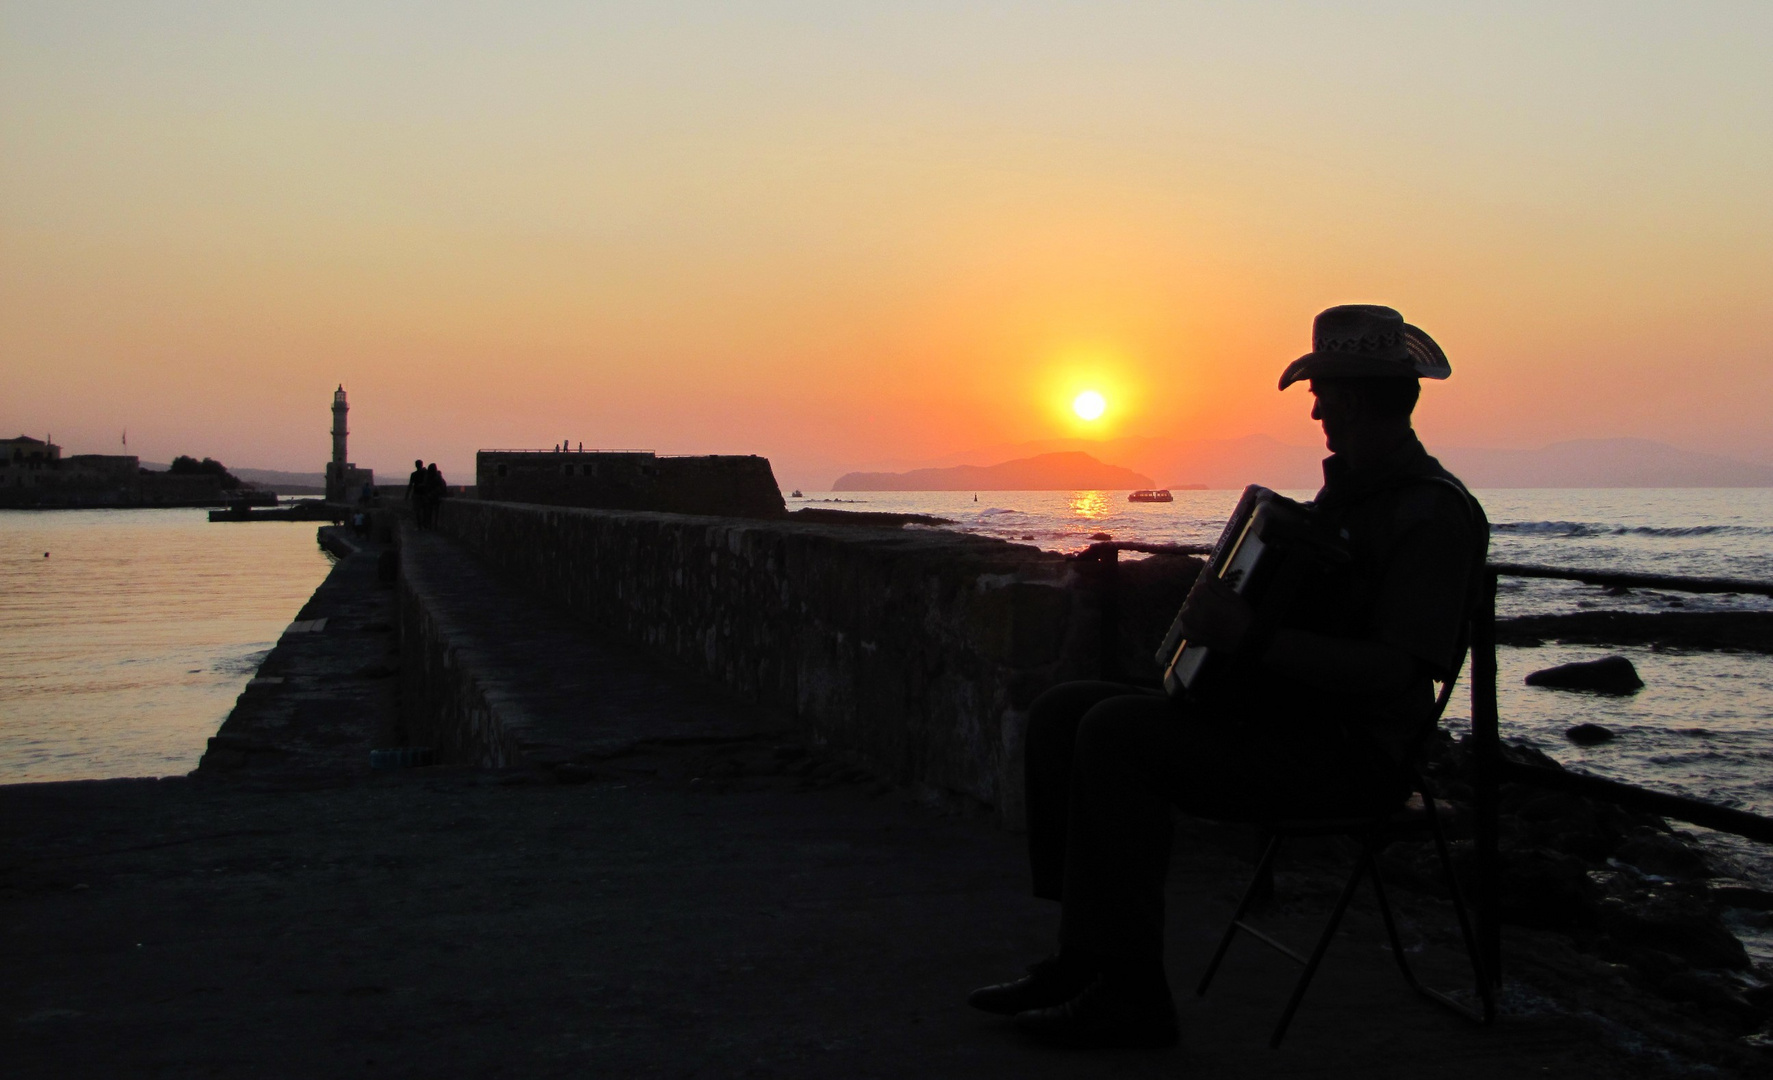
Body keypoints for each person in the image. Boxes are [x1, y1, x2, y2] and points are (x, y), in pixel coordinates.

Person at [968, 304, 1489, 1049]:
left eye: (1322, 394)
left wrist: (1251, 635)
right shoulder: (1349, 499)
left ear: (1352, 397)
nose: (1313, 410)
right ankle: (1085, 957)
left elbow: (1391, 672)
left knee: (1116, 734)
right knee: (1061, 713)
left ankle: (1131, 998)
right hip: (1286, 728)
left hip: (1347, 759)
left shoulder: (1431, 517)